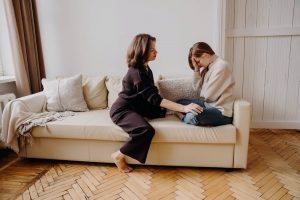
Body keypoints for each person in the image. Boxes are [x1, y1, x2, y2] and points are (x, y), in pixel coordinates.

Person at [110, 34, 202, 173]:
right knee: (146, 131)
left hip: (138, 106)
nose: (156, 52)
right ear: (142, 51)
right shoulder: (137, 73)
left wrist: (178, 108)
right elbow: (156, 99)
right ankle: (118, 155)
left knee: (160, 110)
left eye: (155, 48)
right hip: (123, 110)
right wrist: (184, 107)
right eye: (152, 49)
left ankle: (175, 111)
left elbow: (152, 97)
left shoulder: (146, 68)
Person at [175, 42, 235, 126]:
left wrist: (203, 92)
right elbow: (196, 88)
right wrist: (196, 70)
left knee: (193, 115)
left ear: (205, 55)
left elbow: (208, 96)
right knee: (178, 103)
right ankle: (188, 113)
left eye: (198, 61)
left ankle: (184, 118)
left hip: (220, 111)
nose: (199, 65)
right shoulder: (208, 68)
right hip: (207, 105)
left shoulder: (221, 66)